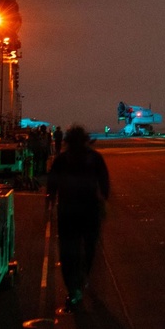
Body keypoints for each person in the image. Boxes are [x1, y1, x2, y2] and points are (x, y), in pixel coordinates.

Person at [47, 125, 111, 309]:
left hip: (67, 211)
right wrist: (104, 201)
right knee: (89, 248)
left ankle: (73, 289)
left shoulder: (62, 159)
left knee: (68, 252)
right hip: (90, 210)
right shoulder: (94, 158)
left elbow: (52, 184)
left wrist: (50, 204)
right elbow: (104, 183)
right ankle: (82, 278)